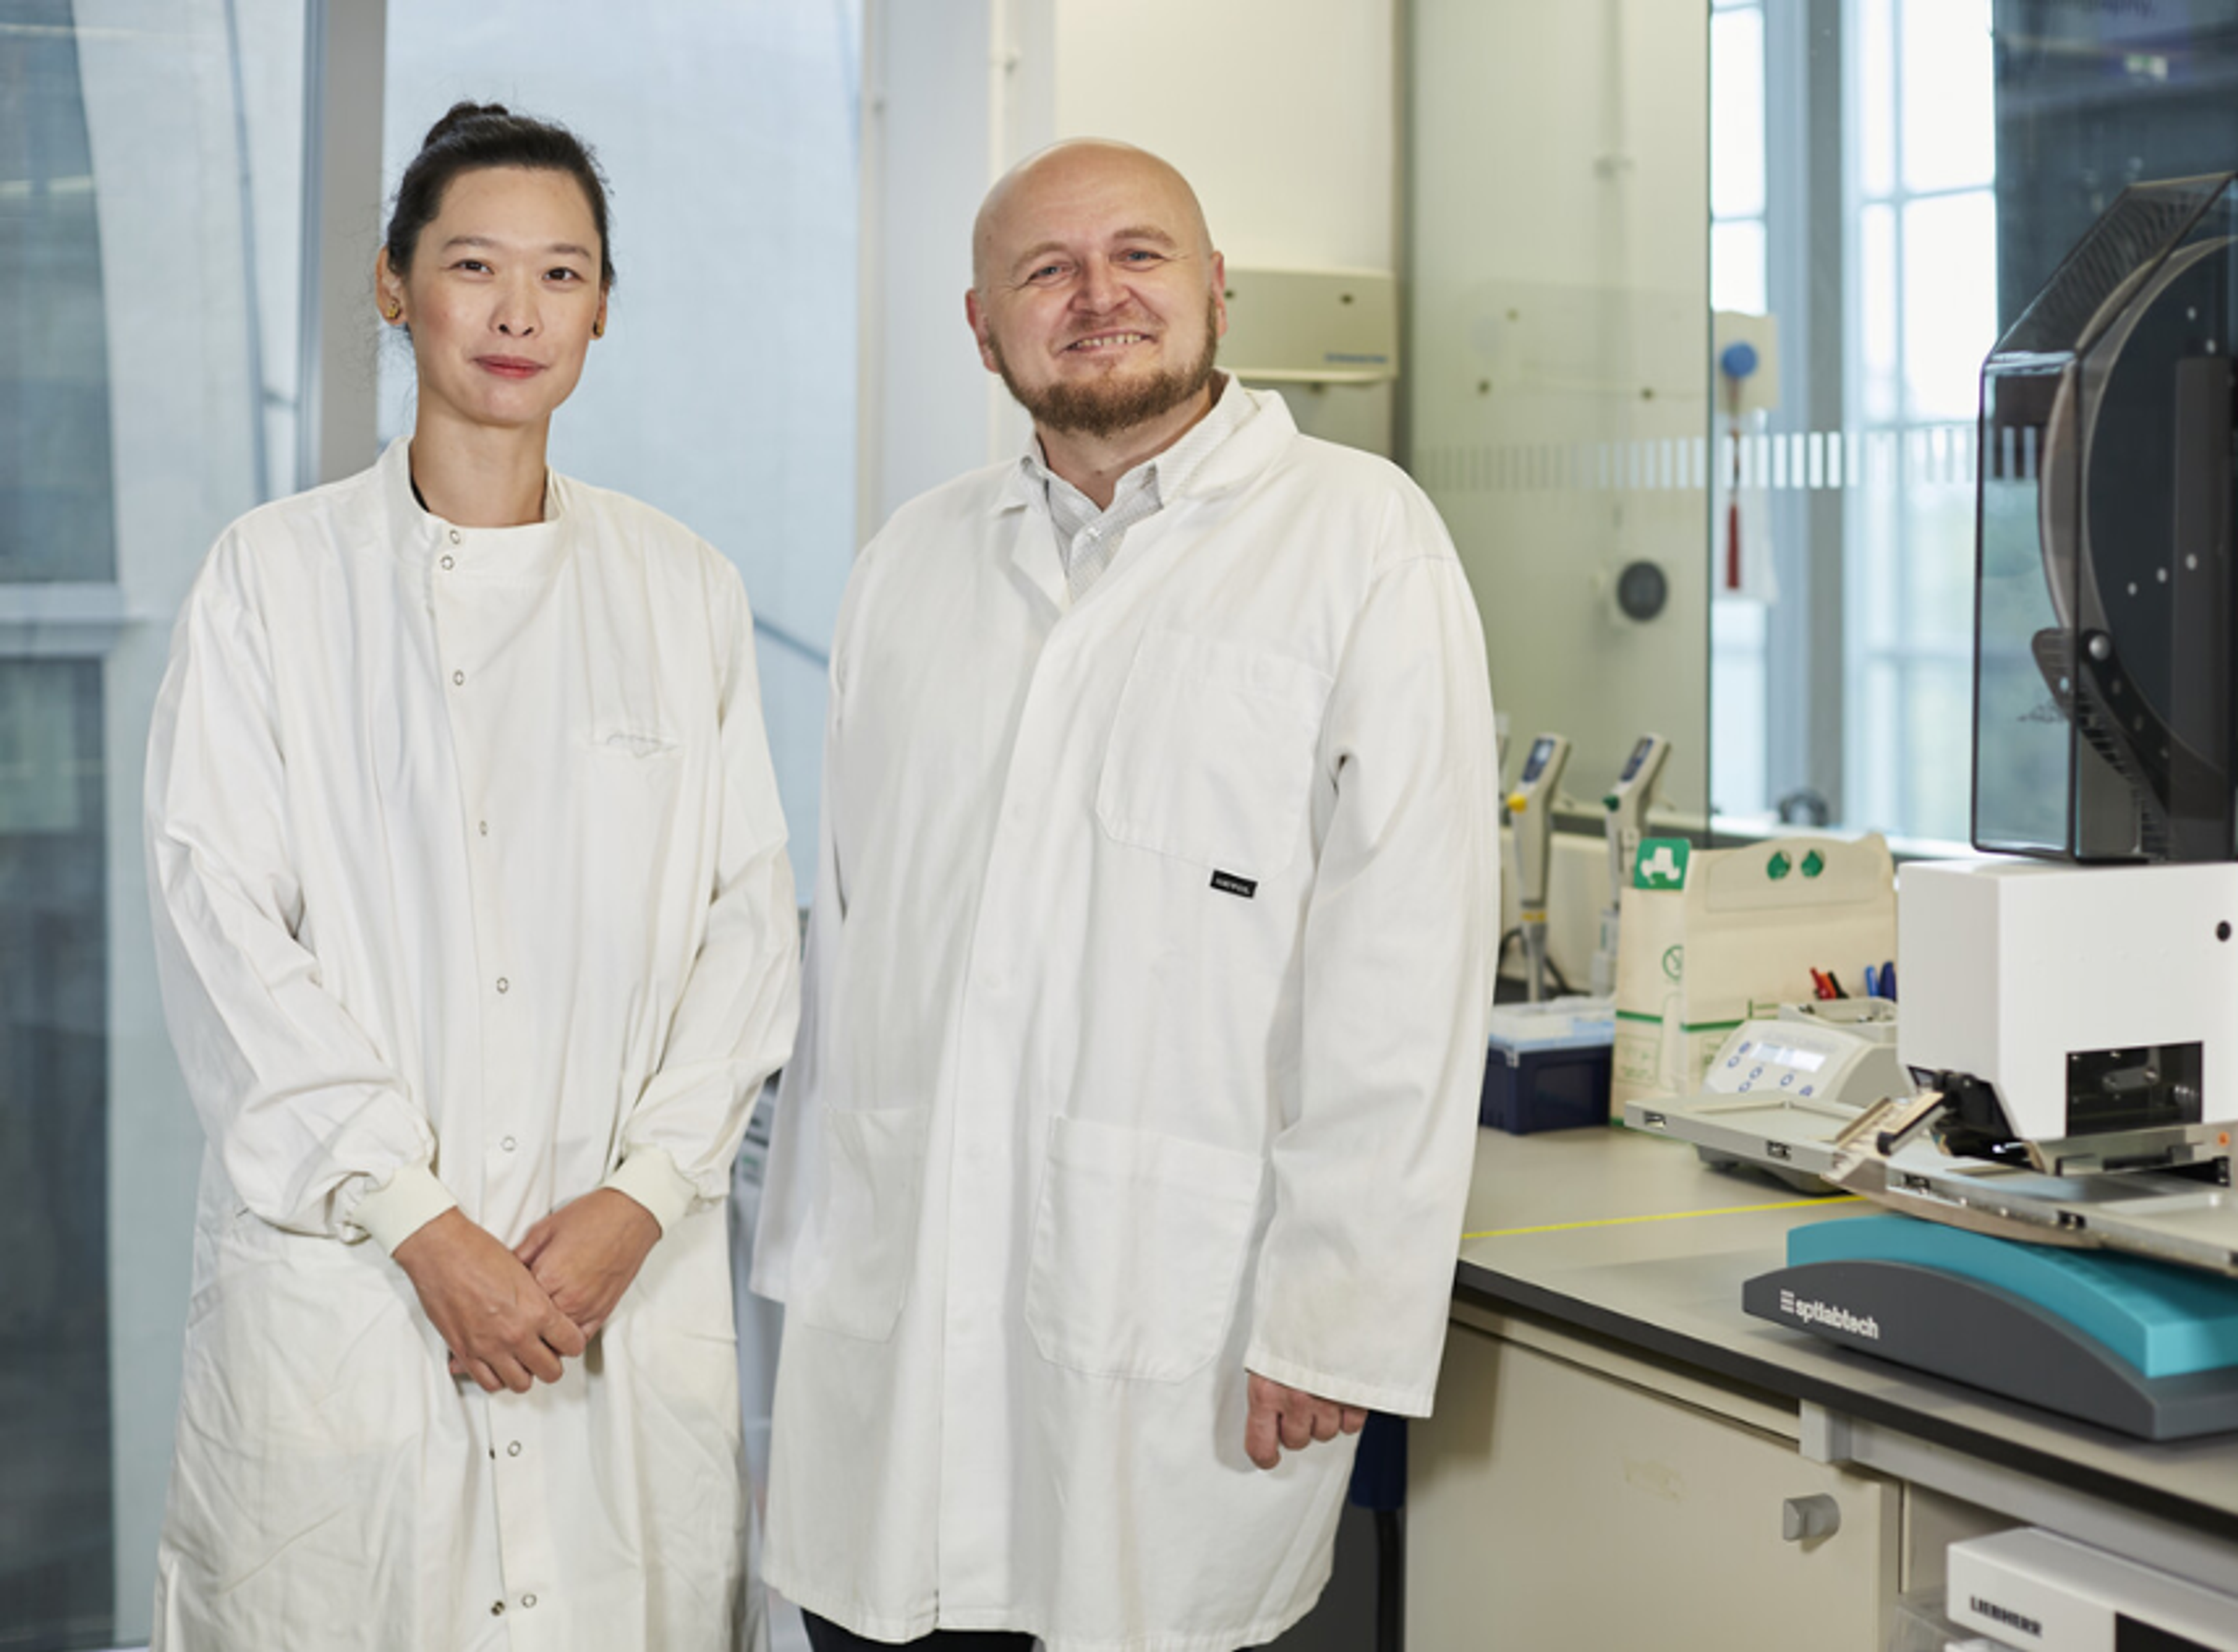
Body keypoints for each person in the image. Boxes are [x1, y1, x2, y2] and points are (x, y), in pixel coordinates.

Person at [752, 138, 1499, 1652]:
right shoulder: (912, 562)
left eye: (1139, 256)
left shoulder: (1362, 542)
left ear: (1215, 288)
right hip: (893, 1340)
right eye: (1047, 270)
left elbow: (1406, 963)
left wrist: (1334, 1308)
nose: (1098, 296)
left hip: (1184, 1328)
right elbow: (857, 945)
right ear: (983, 326)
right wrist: (812, 1264)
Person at [145, 103, 800, 1650]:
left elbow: (747, 929)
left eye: (562, 275)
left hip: (611, 1298)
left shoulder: (681, 588)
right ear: (394, 287)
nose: (518, 313)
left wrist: (642, 1199)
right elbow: (221, 930)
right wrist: (424, 1228)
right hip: (360, 1298)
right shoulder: (273, 581)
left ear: (602, 308)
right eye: (474, 266)